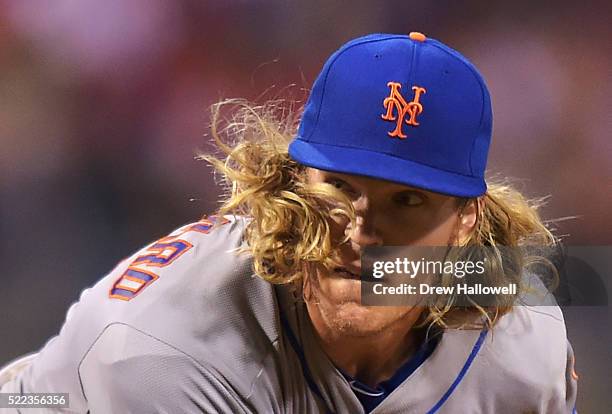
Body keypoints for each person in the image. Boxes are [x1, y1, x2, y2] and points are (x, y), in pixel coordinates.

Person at [0, 32, 578, 413]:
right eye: (342, 188)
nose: (362, 231)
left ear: (466, 222)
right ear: (295, 182)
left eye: (407, 202)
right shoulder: (161, 348)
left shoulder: (523, 335)